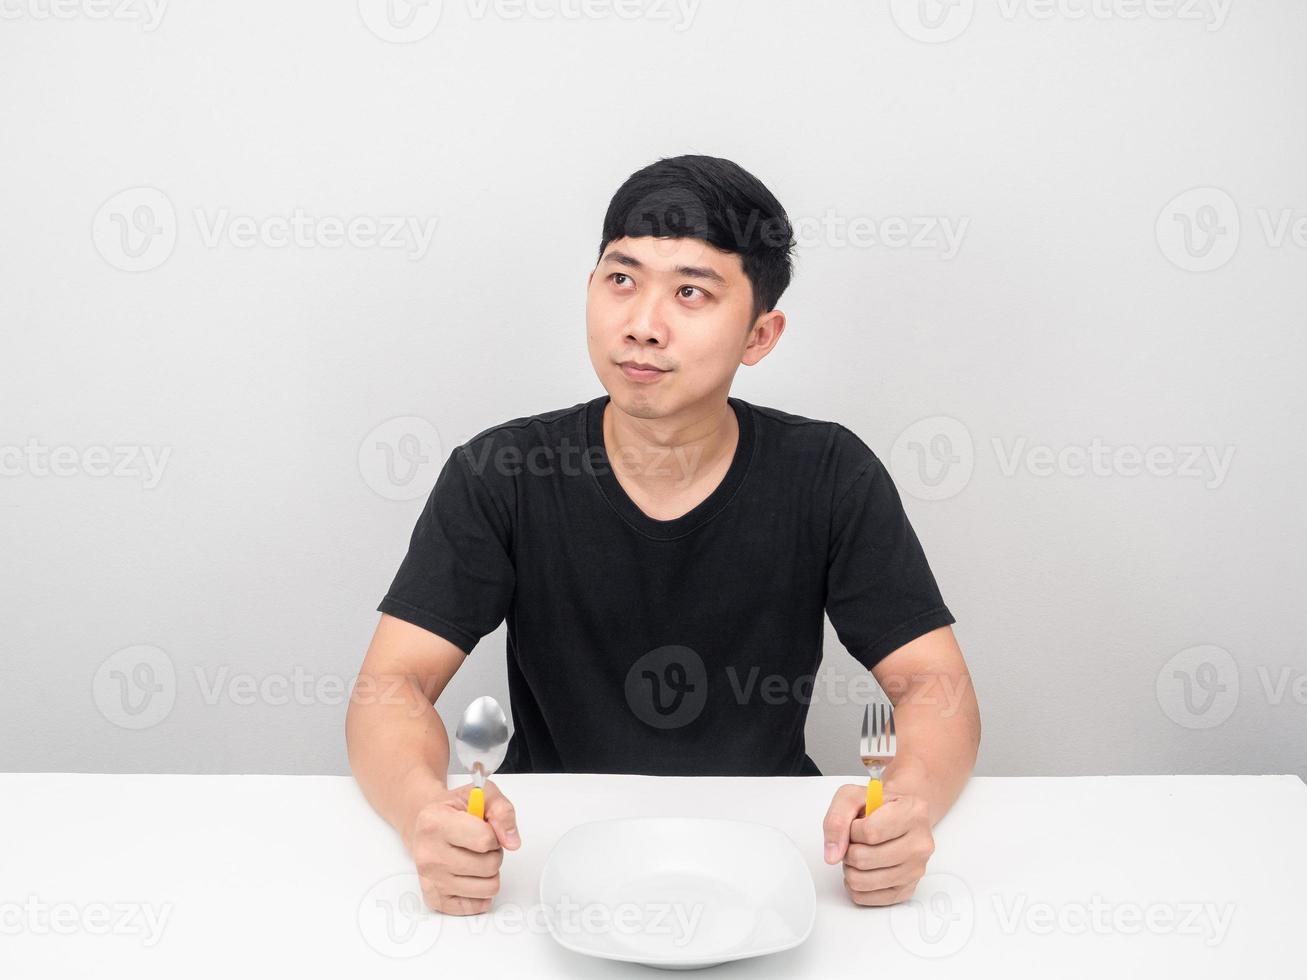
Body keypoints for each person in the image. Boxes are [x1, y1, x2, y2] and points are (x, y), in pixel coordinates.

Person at [345, 154, 981, 916]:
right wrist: (425, 809)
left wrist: (904, 807)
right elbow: (393, 685)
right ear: (590, 289)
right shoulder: (502, 472)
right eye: (621, 280)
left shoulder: (827, 473)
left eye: (690, 292)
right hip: (542, 848)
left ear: (759, 334)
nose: (642, 325)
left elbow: (933, 686)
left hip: (767, 852)